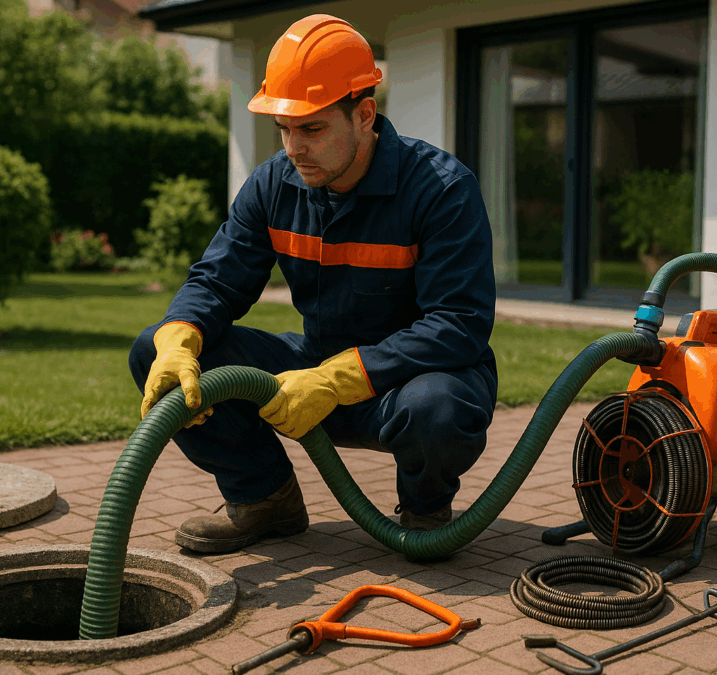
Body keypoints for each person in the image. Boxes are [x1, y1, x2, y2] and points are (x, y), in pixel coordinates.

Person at [129, 14, 497, 554]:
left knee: (437, 407)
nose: (293, 146)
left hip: (408, 387)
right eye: (284, 127)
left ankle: (424, 510)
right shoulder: (274, 185)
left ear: (364, 114)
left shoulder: (441, 190)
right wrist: (180, 337)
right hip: (313, 370)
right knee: (154, 349)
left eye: (312, 128)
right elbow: (217, 278)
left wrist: (335, 380)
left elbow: (458, 326)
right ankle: (265, 501)